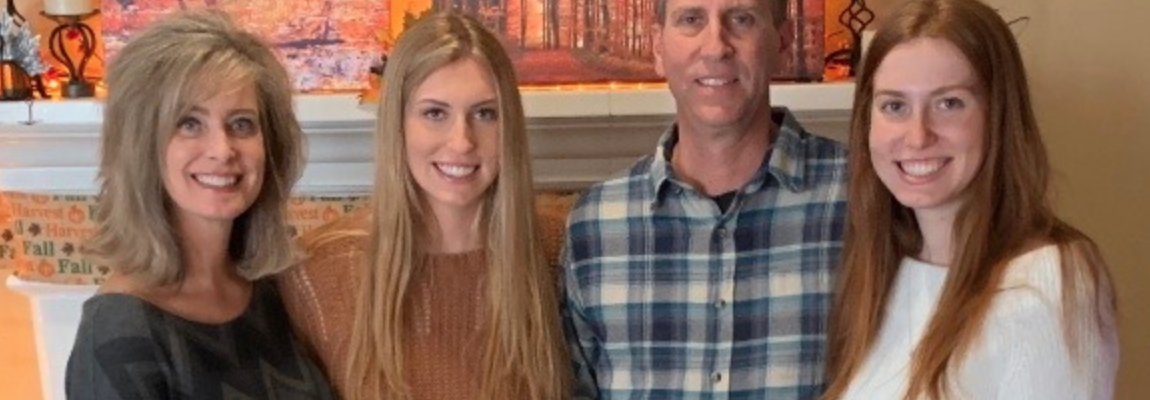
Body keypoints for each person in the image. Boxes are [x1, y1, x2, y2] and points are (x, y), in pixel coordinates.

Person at [821, 0, 1119, 399]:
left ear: (999, 116)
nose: (918, 136)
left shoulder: (1049, 282)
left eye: (949, 103)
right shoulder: (887, 270)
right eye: (894, 106)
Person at [276, 11, 571, 400]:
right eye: (435, 113)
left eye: (485, 114)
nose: (462, 141)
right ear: (397, 125)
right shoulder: (317, 273)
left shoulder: (561, 251)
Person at [561, 0, 849, 398]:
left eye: (742, 19)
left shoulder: (861, 198)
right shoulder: (594, 227)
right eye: (691, 19)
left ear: (782, 44)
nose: (716, 47)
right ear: (658, 47)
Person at [64, 9, 335, 400]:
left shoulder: (275, 292)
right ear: (142, 145)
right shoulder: (117, 332)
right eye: (189, 123)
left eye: (241, 123)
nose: (222, 150)